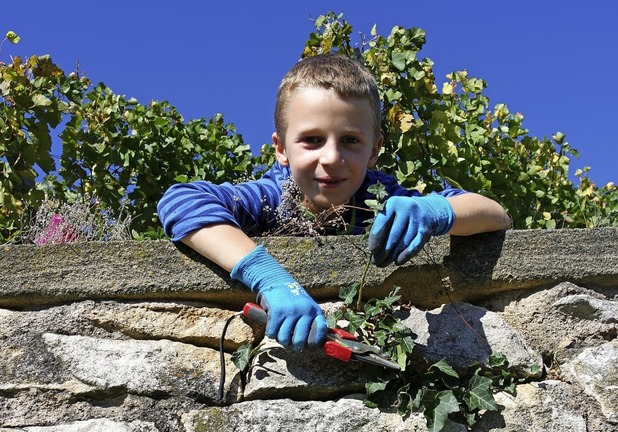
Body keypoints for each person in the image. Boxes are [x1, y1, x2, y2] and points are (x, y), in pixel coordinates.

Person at [158, 53, 511, 353]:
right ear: (281, 148)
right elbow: (181, 200)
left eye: (350, 140)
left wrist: (436, 210)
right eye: (311, 139)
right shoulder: (270, 198)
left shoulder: (383, 199)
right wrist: (270, 278)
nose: (331, 158)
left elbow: (497, 216)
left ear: (374, 149)